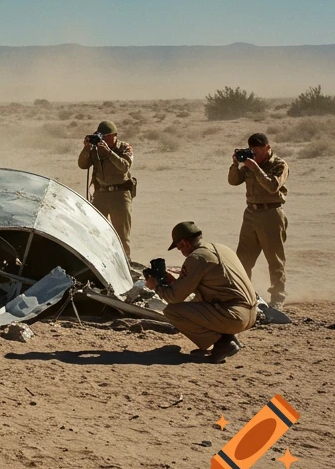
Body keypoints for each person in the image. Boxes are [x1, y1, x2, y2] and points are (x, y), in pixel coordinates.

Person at [146, 221, 256, 363]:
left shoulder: (197, 258)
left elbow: (174, 298)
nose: (181, 252)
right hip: (249, 313)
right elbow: (213, 284)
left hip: (234, 317)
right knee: (198, 300)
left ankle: (223, 344)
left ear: (185, 243)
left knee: (173, 311)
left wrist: (156, 286)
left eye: (180, 248)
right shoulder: (221, 248)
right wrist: (175, 282)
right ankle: (228, 338)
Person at [229, 132, 290, 309]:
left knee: (274, 259)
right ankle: (243, 295)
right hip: (251, 214)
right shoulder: (249, 163)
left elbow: (272, 186)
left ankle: (277, 298)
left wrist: (255, 168)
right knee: (243, 259)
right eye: (252, 150)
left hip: (271, 213)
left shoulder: (279, 165)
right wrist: (235, 164)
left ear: (267, 147)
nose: (254, 153)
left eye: (257, 150)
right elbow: (233, 181)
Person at [77, 119, 135, 261]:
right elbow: (82, 165)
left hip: (120, 194)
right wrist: (87, 148)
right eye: (101, 136)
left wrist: (109, 153)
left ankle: (124, 262)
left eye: (107, 136)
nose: (104, 139)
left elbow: (124, 166)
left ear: (114, 135)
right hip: (101, 194)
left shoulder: (124, 148)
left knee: (122, 234)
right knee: (95, 229)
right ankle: (98, 260)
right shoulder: (95, 148)